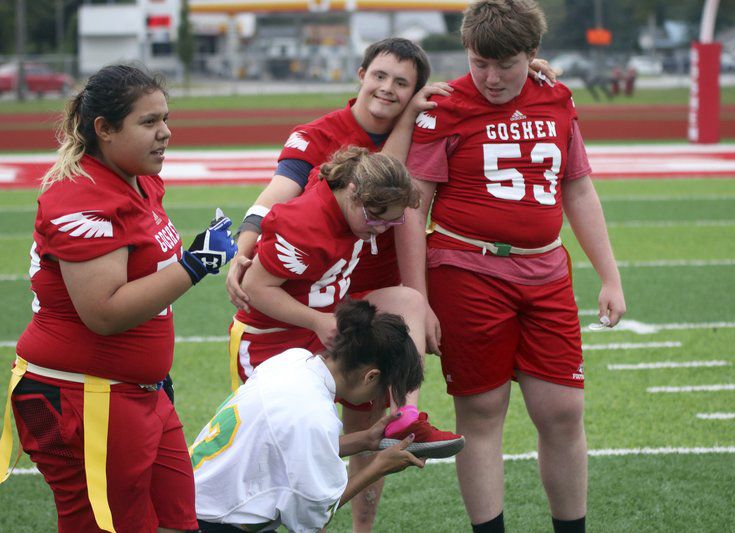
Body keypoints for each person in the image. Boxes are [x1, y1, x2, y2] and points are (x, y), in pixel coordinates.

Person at [395, 1, 627, 532]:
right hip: (467, 270)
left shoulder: (558, 98)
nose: (492, 78)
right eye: (480, 63)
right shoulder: (445, 106)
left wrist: (610, 274)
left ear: (534, 55)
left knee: (563, 413)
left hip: (546, 273)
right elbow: (414, 208)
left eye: (506, 64)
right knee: (481, 414)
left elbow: (577, 185)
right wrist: (418, 300)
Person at [225, 38, 462, 531]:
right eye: (380, 75)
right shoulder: (315, 190)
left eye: (403, 83)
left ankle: (405, 421)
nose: (388, 88)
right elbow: (280, 191)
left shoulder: (373, 187)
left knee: (404, 315)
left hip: (345, 305)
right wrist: (247, 238)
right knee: (290, 452)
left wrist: (531, 66)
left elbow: (491, 81)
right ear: (360, 74)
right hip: (293, 323)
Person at [0, 64, 237, 532]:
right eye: (148, 123)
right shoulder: (81, 196)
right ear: (104, 130)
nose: (165, 133)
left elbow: (144, 280)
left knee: (178, 521)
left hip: (136, 392)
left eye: (165, 119)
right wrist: (195, 263)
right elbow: (104, 313)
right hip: (80, 395)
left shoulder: (141, 180)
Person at [191, 298, 426, 532]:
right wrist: (379, 467)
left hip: (192, 500)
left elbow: (289, 447)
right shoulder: (314, 415)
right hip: (211, 523)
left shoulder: (294, 360)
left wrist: (364, 440)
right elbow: (313, 517)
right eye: (384, 391)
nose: (378, 401)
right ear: (371, 377)